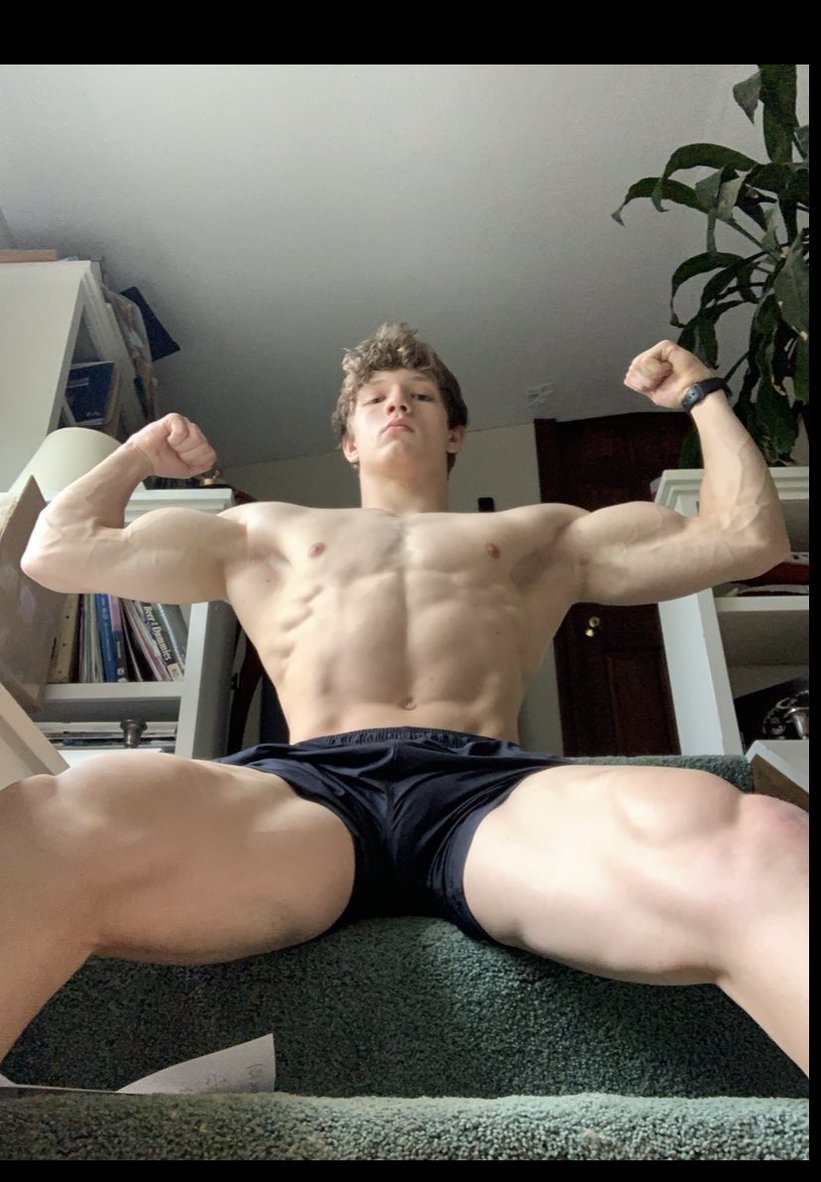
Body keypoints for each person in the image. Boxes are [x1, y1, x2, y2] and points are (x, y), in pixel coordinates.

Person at [1, 323, 808, 1078]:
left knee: (758, 841)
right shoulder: (263, 532)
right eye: (375, 398)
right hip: (305, 798)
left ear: (454, 433)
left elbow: (745, 538)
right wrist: (139, 452)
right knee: (55, 817)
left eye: (420, 395)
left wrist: (702, 394)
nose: (397, 405)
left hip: (492, 798)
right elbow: (58, 551)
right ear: (349, 440)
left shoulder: (539, 536)